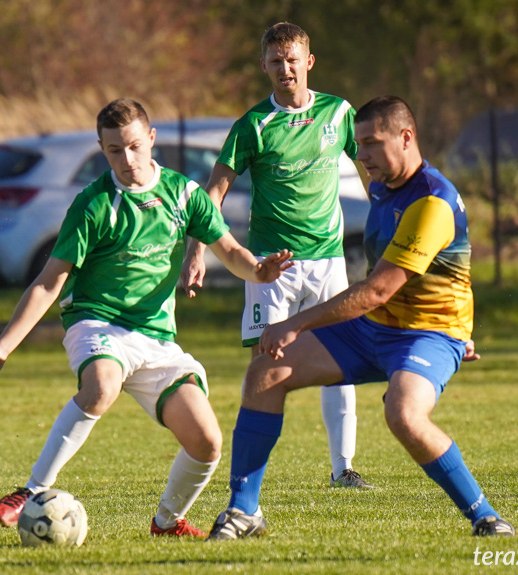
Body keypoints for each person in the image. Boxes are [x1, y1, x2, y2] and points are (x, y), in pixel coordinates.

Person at [0, 98, 293, 537]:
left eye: (135, 146)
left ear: (152, 139)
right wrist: (1, 349)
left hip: (157, 338)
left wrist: (258, 269)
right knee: (101, 386)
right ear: (102, 150)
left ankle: (167, 522)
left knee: (207, 442)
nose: (127, 159)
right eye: (114, 150)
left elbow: (230, 250)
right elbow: (49, 282)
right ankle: (32, 490)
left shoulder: (184, 195)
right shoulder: (93, 205)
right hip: (96, 323)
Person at [206, 95, 515, 540]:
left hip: (424, 335)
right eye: (359, 143)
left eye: (371, 143)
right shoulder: (382, 186)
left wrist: (295, 322)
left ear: (406, 138)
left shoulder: (431, 202)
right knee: (265, 373)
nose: (361, 154)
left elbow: (377, 289)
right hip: (375, 329)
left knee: (404, 415)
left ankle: (485, 516)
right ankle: (243, 511)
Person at [182, 22, 372, 489]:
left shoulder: (338, 112)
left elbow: (372, 169)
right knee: (265, 367)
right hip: (271, 268)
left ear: (309, 61)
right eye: (274, 61)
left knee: (340, 363)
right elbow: (214, 191)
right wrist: (196, 253)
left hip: (328, 260)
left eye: (292, 59)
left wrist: (388, 221)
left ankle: (343, 469)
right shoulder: (253, 125)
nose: (284, 68)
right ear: (263, 66)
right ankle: (249, 479)